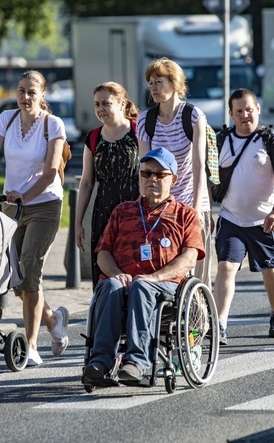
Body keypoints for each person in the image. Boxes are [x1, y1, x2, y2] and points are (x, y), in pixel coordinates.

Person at [82, 147, 205, 386]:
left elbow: (190, 258)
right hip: (123, 282)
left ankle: (136, 362)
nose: (152, 179)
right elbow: (103, 253)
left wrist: (154, 278)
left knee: (141, 286)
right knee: (109, 286)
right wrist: (118, 274)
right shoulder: (122, 211)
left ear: (174, 179)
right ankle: (100, 362)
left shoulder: (185, 215)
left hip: (165, 287)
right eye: (146, 174)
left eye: (160, 175)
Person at [0, 70, 69, 367]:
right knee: (17, 280)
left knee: (29, 270)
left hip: (44, 204)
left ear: (43, 95)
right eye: (21, 90)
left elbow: (52, 171)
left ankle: (30, 345)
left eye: (32, 92)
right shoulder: (7, 119)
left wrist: (25, 195)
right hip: (11, 207)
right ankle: (54, 319)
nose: (26, 97)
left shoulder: (53, 124)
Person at [212, 89, 274, 345]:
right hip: (231, 219)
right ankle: (220, 324)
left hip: (264, 221)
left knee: (270, 269)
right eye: (239, 111)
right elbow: (209, 176)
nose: (245, 115)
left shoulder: (270, 139)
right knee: (226, 267)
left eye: (249, 109)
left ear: (257, 109)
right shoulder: (221, 140)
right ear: (231, 114)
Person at [136, 58, 213, 290]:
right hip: (160, 208)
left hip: (191, 201)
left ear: (175, 83)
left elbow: (200, 165)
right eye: (151, 83)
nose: (154, 88)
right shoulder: (145, 120)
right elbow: (144, 169)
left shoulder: (192, 116)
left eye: (159, 82)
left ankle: (201, 324)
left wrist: (197, 209)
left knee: (198, 273)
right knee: (164, 268)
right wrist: (143, 207)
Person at [75, 82, 141, 286]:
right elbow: (86, 183)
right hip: (104, 212)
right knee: (104, 269)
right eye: (97, 104)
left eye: (106, 103)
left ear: (122, 104)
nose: (100, 109)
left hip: (134, 210)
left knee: (134, 266)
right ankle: (104, 313)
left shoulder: (139, 132)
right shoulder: (93, 137)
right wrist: (77, 223)